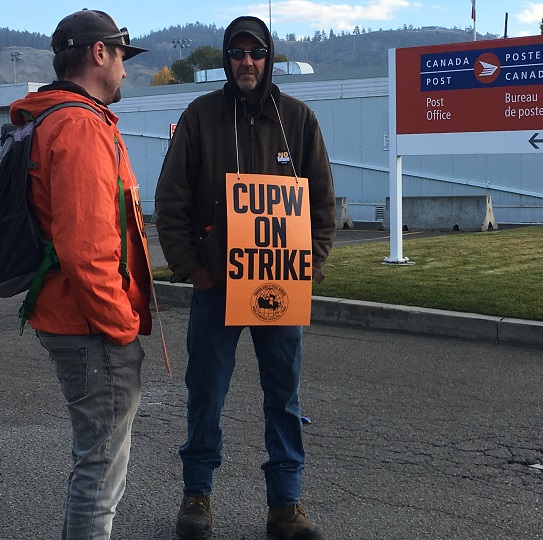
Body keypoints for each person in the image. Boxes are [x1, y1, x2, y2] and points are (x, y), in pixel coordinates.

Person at [155, 15, 336, 540]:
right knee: (205, 393)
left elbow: (321, 202)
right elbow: (172, 200)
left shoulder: (297, 120)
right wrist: (193, 268)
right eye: (237, 54)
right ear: (226, 59)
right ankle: (197, 498)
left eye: (255, 53)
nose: (246, 63)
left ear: (268, 56)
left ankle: (286, 505)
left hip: (279, 288)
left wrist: (312, 265)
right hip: (217, 289)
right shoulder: (200, 117)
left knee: (284, 396)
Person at [9, 9, 152, 540]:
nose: (124, 71)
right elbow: (87, 250)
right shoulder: (81, 126)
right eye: (121, 57)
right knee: (99, 475)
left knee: (92, 464)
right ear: (99, 53)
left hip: (62, 313)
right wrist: (121, 327)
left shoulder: (48, 118)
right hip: (89, 327)